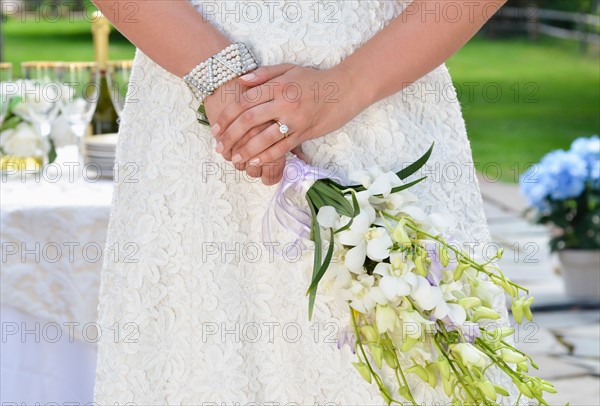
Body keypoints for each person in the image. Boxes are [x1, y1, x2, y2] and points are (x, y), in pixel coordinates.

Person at [92, 0, 515, 404]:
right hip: (193, 112)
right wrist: (220, 80)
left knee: (400, 360)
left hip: (383, 100)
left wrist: (349, 86)